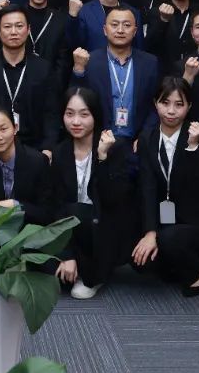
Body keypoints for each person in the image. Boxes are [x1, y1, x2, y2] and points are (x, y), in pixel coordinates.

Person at [133, 77, 199, 296]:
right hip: (167, 220)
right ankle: (176, 264)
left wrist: (193, 148)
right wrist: (149, 233)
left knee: (170, 240)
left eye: (179, 104)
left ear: (189, 106)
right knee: (140, 259)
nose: (171, 111)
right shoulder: (147, 137)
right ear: (155, 103)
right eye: (165, 103)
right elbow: (147, 187)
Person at [50, 88, 136, 299]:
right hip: (72, 227)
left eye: (84, 114)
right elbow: (56, 205)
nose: (76, 121)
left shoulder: (116, 147)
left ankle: (93, 275)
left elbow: (113, 199)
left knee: (76, 211)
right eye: (69, 114)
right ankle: (76, 263)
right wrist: (67, 254)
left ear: (96, 115)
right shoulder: (60, 152)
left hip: (106, 225)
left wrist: (103, 157)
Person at [0, 5, 60, 158]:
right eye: (7, 27)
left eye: (19, 26)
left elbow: (51, 112)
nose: (13, 32)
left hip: (33, 148)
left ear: (28, 30)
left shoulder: (43, 68)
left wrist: (48, 148)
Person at [70, 6, 159, 146]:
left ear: (135, 31)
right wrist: (78, 70)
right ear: (105, 30)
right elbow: (75, 101)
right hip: (98, 142)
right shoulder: (89, 61)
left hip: (137, 144)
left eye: (127, 25)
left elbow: (156, 105)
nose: (120, 30)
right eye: (114, 24)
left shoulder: (150, 63)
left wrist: (145, 137)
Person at [19, 0, 71, 83]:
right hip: (18, 82)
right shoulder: (16, 16)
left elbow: (63, 59)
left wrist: (55, 85)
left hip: (50, 83)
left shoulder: (61, 19)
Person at [145, 0, 195, 67]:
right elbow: (148, 45)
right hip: (165, 72)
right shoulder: (156, 12)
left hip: (194, 68)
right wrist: (163, 20)